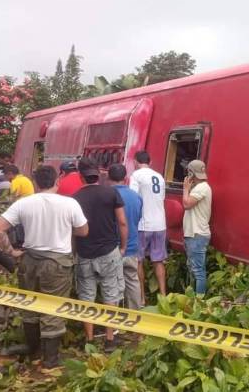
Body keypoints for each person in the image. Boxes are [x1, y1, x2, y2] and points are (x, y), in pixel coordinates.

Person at [0, 165, 88, 370]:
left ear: (35, 183)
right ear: (57, 181)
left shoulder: (24, 203)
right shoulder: (69, 203)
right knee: (53, 308)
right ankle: (50, 359)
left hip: (29, 260)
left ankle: (33, 350)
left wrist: (10, 252)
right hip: (57, 264)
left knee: (30, 305)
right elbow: (83, 231)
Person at [73, 158, 127, 352]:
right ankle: (110, 339)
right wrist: (123, 247)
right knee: (110, 294)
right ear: (98, 174)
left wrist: (74, 252)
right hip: (109, 251)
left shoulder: (75, 198)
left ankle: (89, 340)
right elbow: (122, 222)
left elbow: (74, 230)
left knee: (86, 296)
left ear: (81, 176)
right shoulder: (111, 193)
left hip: (84, 253)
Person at [129, 150, 167, 302]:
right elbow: (161, 198)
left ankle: (142, 298)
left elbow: (133, 198)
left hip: (143, 225)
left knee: (138, 261)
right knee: (158, 260)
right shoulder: (159, 177)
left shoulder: (136, 176)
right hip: (160, 224)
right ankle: (163, 296)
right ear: (150, 162)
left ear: (135, 162)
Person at [108, 163, 143, 310]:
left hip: (112, 249)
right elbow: (137, 219)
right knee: (132, 281)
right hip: (132, 247)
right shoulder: (136, 197)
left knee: (111, 284)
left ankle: (113, 315)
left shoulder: (107, 195)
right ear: (126, 178)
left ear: (108, 178)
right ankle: (135, 313)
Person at [182, 160, 212, 295]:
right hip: (195, 234)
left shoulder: (201, 188)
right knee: (193, 269)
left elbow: (187, 204)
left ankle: (199, 301)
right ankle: (192, 298)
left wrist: (185, 189)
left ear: (191, 173)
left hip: (197, 234)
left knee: (198, 271)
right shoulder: (202, 187)